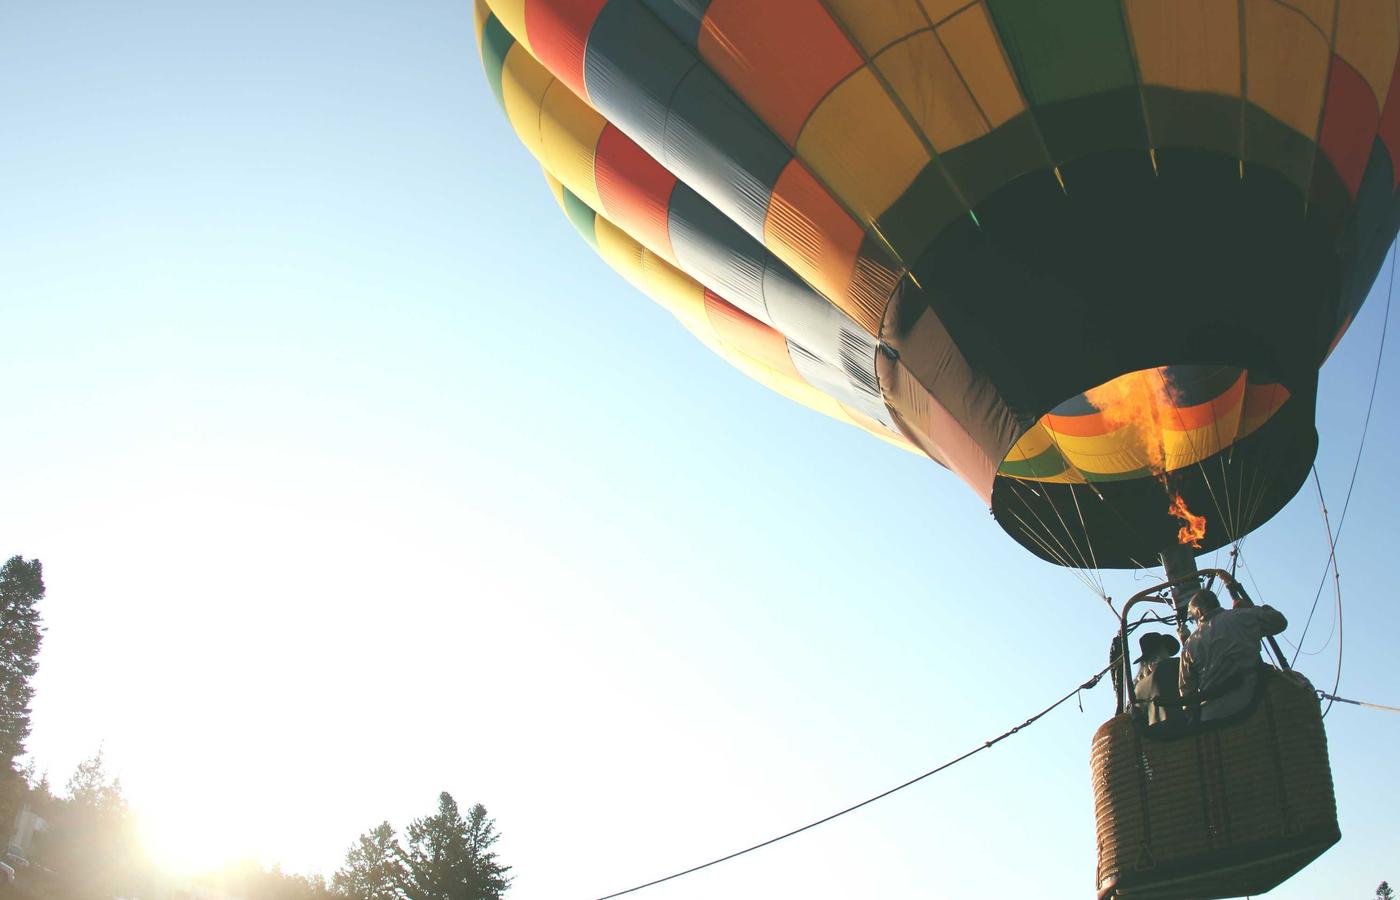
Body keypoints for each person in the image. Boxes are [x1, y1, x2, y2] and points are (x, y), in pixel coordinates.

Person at [1180, 588, 1288, 722]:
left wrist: (1192, 720)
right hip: (1254, 703)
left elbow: (1187, 692)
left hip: (1212, 715)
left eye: (1192, 619)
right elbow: (1280, 622)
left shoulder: (1190, 644)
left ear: (1198, 612)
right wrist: (1252, 608)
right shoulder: (1243, 616)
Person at [1132, 632, 1182, 727]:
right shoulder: (1174, 665)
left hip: (1156, 738)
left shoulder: (1138, 688)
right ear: (1163, 648)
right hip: (1182, 729)